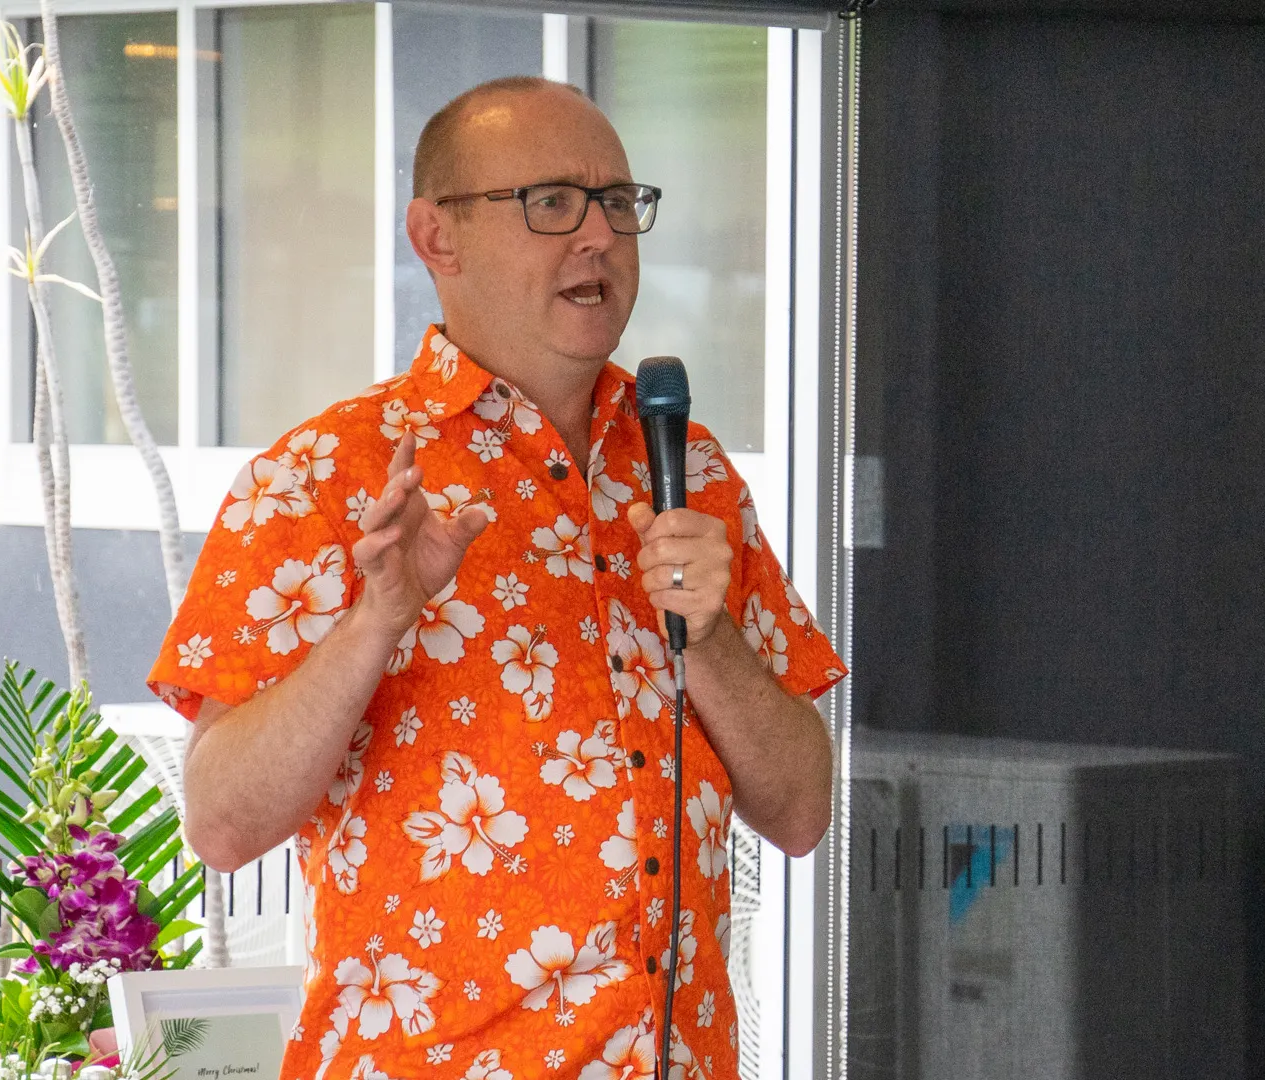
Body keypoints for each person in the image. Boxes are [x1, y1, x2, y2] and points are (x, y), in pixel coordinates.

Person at [145, 75, 844, 1080]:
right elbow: (220, 825)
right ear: (438, 238)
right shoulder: (326, 475)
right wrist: (376, 620)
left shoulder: (690, 471)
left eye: (617, 202)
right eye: (551, 202)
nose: (598, 236)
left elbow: (802, 812)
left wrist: (713, 634)